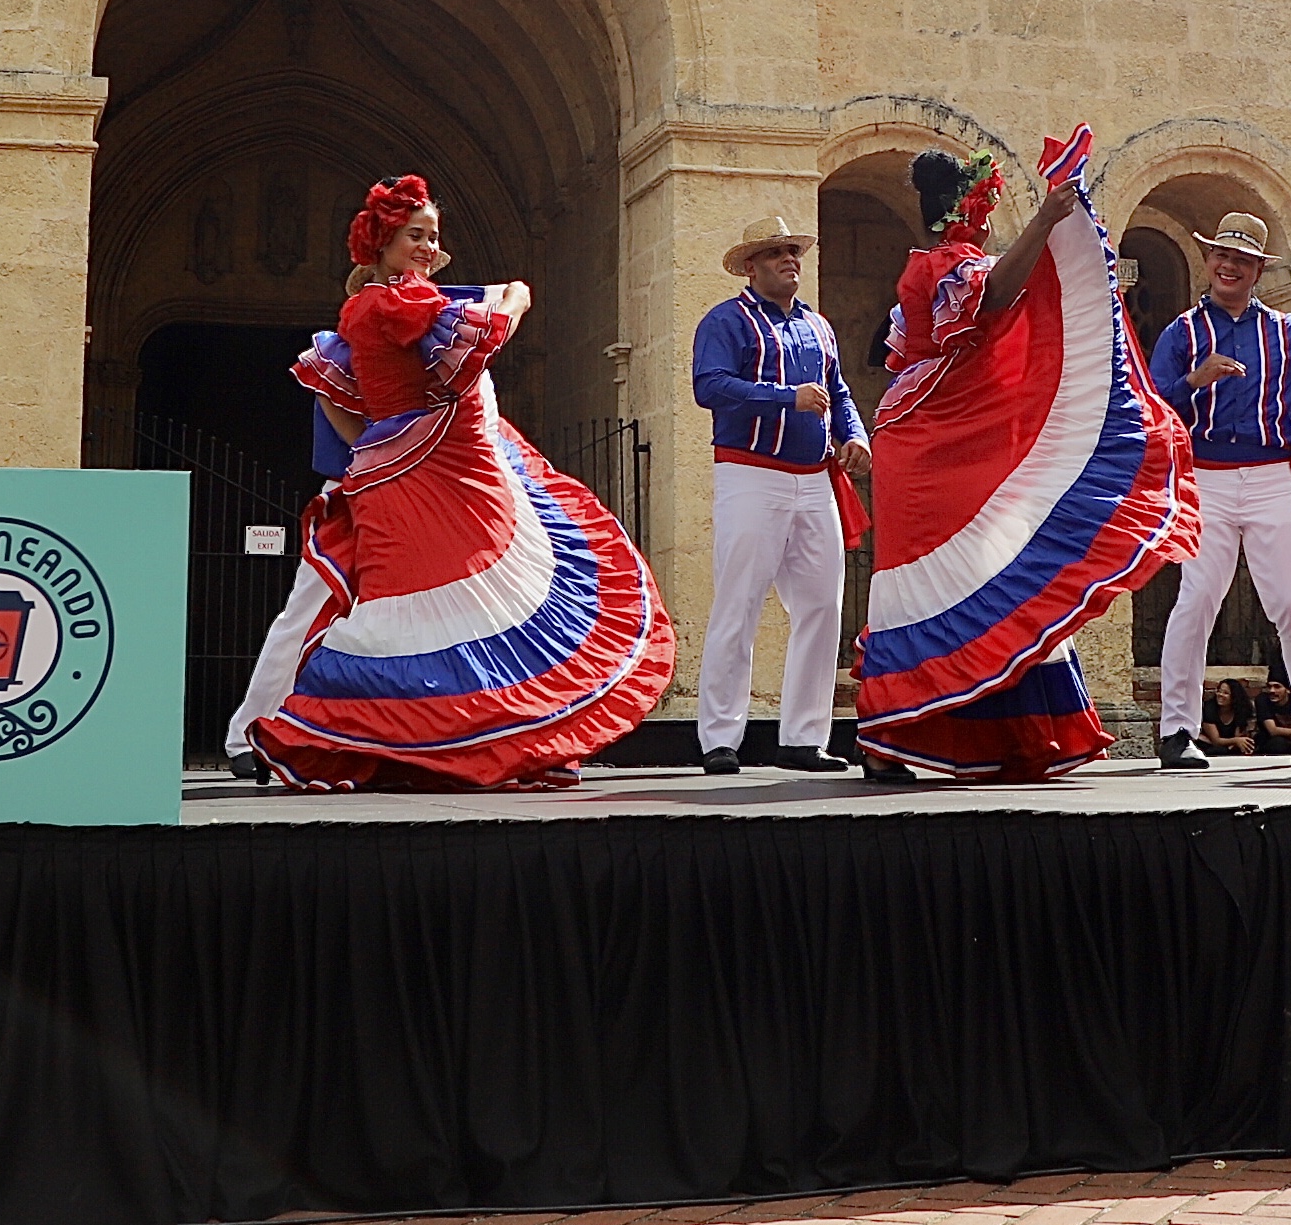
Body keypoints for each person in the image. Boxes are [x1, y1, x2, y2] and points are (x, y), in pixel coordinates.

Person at [247, 175, 675, 790]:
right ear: (382, 243)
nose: (427, 247)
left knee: (459, 592)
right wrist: (516, 296)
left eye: (433, 237)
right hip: (416, 472)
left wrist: (371, 447)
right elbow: (484, 330)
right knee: (415, 599)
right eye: (414, 235)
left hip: (428, 466)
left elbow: (349, 390)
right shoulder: (386, 305)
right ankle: (330, 727)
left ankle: (458, 739)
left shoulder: (394, 304)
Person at [851, 133, 1192, 782]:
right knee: (955, 575)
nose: (987, 222)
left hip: (936, 439)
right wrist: (1045, 222)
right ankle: (895, 733)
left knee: (980, 573)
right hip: (932, 450)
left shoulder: (935, 266)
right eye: (982, 210)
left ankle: (975, 733)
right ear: (964, 212)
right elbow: (995, 298)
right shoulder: (945, 264)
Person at [1143, 212, 1291, 771]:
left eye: (1242, 260)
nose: (1229, 266)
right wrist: (1194, 380)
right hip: (1206, 476)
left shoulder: (1286, 330)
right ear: (1209, 261)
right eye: (1222, 256)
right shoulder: (1182, 334)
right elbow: (1151, 406)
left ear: (1257, 271)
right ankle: (1176, 731)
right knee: (1196, 600)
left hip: (1273, 474)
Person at [690, 215, 871, 775]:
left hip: (815, 479)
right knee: (739, 602)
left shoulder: (818, 326)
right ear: (750, 267)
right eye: (775, 253)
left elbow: (838, 390)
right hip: (751, 474)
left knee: (822, 607)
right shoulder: (725, 320)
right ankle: (720, 738)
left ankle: (804, 738)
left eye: (793, 251)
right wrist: (785, 397)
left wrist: (855, 434)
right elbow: (709, 386)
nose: (789, 259)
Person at [221, 319, 367, 785]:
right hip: (355, 496)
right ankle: (248, 733)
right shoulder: (336, 356)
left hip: (411, 497)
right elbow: (358, 437)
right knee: (305, 613)